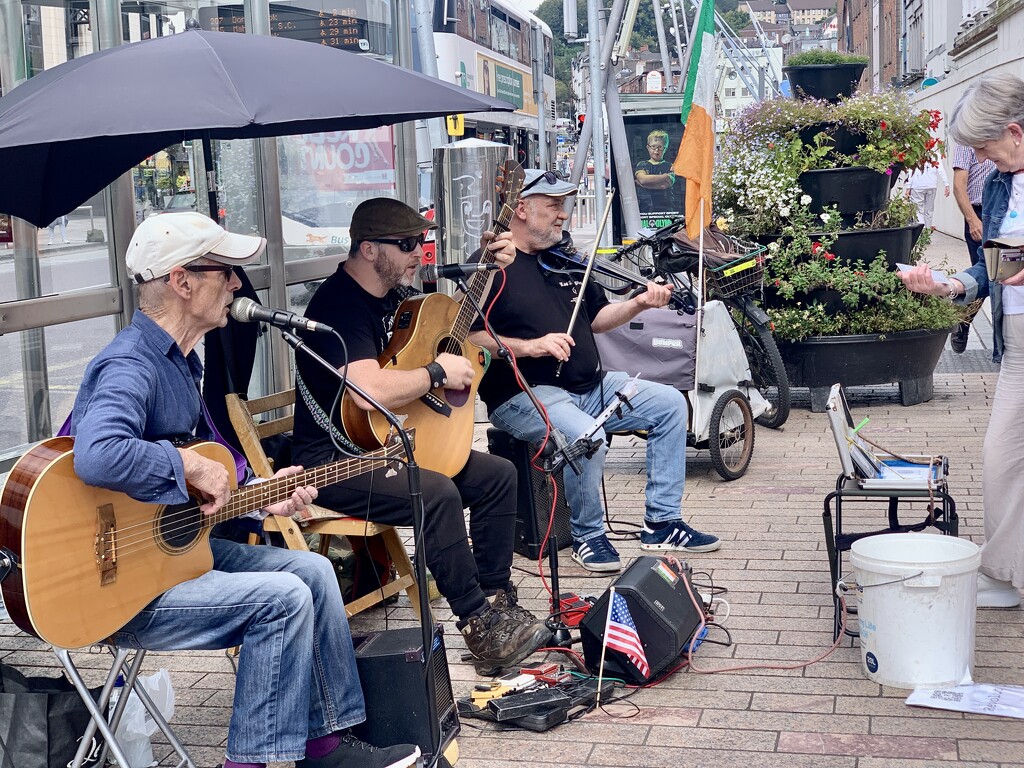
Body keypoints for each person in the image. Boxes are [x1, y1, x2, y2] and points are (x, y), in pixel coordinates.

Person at [70, 212, 420, 768]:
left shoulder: (181, 363)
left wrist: (259, 491)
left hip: (168, 558)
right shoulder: (129, 364)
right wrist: (183, 463)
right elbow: (97, 453)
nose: (237, 284)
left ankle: (323, 743)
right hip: (116, 586)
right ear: (183, 283)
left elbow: (212, 465)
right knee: (279, 601)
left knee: (313, 571)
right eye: (226, 271)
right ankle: (248, 762)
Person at [291, 198, 551, 673]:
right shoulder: (339, 306)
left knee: (498, 475)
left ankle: (497, 599)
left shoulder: (395, 297)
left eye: (422, 242)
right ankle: (478, 623)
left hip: (387, 445)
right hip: (334, 460)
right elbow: (367, 393)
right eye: (408, 244)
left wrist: (489, 270)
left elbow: (455, 331)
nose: (418, 253)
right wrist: (436, 373)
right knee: (435, 492)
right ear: (369, 249)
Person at [466, 169, 721, 573]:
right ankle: (588, 535)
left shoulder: (565, 261)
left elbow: (598, 318)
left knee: (670, 404)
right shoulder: (490, 265)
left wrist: (639, 304)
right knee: (587, 435)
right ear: (521, 209)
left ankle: (662, 523)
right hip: (524, 394)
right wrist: (532, 346)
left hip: (590, 385)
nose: (563, 215)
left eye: (563, 206)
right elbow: (469, 336)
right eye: (553, 206)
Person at [898, 72, 1024, 610]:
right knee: (999, 456)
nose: (979, 159)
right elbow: (987, 266)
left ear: (1015, 132)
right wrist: (946, 286)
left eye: (985, 147)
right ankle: (1002, 572)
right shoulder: (998, 184)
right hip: (1017, 346)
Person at [950, 143, 997, 353]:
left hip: (1004, 212)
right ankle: (963, 322)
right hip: (979, 215)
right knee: (988, 274)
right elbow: (959, 186)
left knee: (1000, 278)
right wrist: (972, 220)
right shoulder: (966, 141)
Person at [634, 130, 679, 214]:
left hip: (666, 210)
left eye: (660, 147)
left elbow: (663, 186)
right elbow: (642, 179)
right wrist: (665, 176)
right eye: (653, 146)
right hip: (645, 209)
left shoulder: (670, 166)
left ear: (665, 148)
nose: (656, 150)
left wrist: (642, 185)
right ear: (648, 147)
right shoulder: (642, 164)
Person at [902, 156, 950, 228]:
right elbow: (941, 169)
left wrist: (908, 187)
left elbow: (911, 171)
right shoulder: (935, 155)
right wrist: (946, 184)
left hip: (917, 185)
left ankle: (921, 230)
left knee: (918, 210)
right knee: (929, 210)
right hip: (931, 185)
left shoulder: (916, 154)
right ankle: (927, 230)